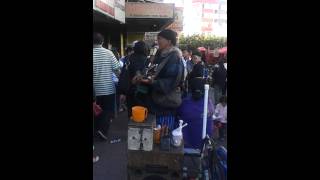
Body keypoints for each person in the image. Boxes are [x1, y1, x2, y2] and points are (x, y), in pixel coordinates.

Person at [139, 29, 184, 130]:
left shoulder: (174, 57)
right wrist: (142, 75)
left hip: (165, 103)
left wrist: (153, 82)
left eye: (160, 39)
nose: (157, 41)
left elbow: (172, 80)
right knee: (153, 132)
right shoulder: (159, 54)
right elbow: (149, 70)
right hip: (153, 101)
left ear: (169, 41)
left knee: (163, 133)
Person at [93, 32, 120, 140]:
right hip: (108, 88)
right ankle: (103, 130)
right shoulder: (109, 53)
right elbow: (117, 69)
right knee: (107, 110)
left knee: (95, 110)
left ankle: (96, 129)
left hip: (94, 90)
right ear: (102, 42)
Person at [177, 78, 214, 149]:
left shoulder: (185, 103)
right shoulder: (209, 104)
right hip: (203, 145)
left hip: (187, 144)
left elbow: (178, 113)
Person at [119, 41, 149, 118]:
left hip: (130, 89)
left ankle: (131, 127)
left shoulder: (128, 58)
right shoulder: (146, 60)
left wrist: (122, 91)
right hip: (143, 90)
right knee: (142, 111)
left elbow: (123, 75)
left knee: (131, 111)